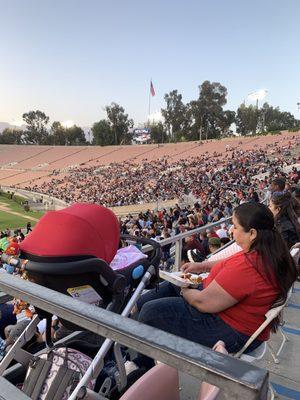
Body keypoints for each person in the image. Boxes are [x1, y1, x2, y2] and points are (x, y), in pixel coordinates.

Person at [132, 203, 297, 370]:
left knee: (150, 312)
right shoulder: (265, 250)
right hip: (229, 312)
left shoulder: (249, 267)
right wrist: (202, 266)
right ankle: (134, 320)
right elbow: (228, 262)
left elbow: (202, 303)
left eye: (235, 226)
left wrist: (184, 289)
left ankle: (141, 368)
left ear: (252, 233)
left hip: (229, 328)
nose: (231, 230)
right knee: (158, 293)